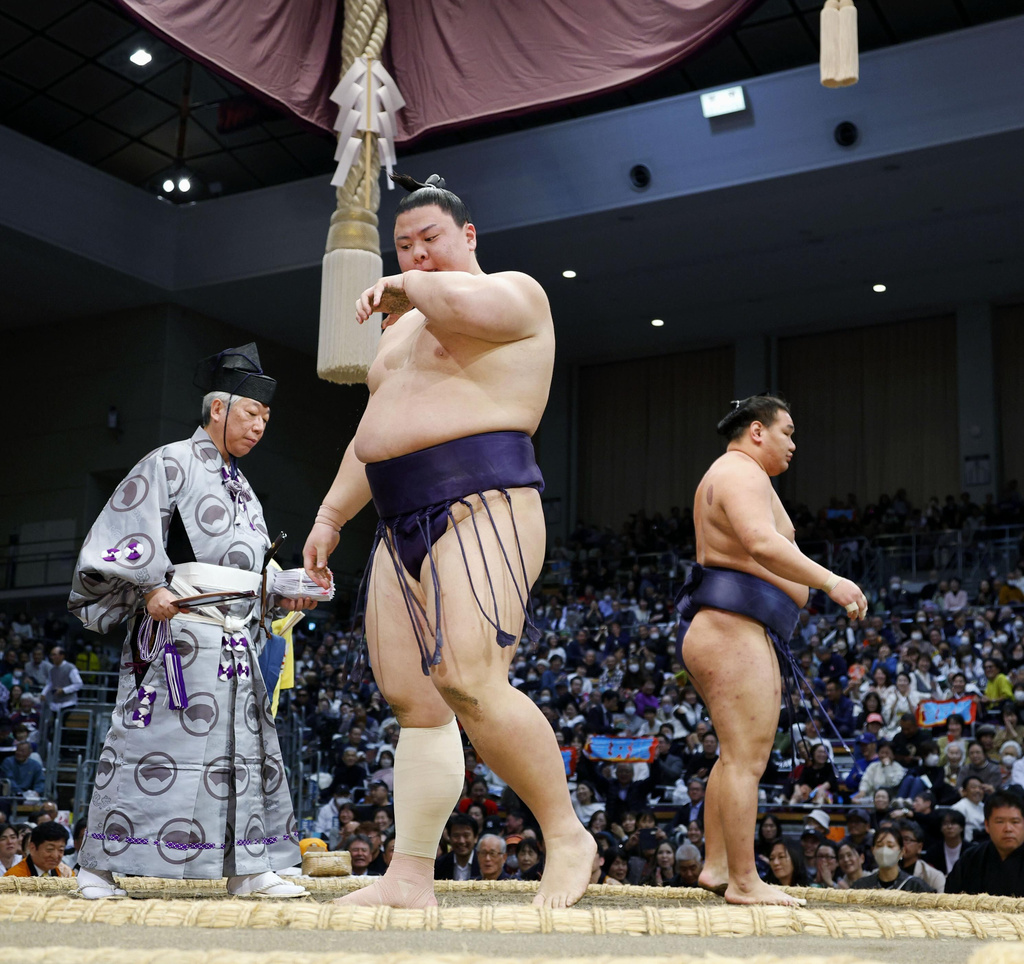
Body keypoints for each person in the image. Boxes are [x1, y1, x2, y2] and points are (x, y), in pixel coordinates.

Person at [302, 172, 594, 909]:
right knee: (416, 702)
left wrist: (410, 283)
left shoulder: (514, 294)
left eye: (429, 238)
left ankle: (566, 834)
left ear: (466, 237)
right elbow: (373, 431)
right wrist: (331, 517)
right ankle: (410, 875)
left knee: (469, 678)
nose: (416, 253)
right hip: (398, 516)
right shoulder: (400, 333)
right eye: (403, 245)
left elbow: (458, 301)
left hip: (481, 501)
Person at [67, 345, 310, 900]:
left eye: (266, 419)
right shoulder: (169, 460)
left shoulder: (243, 486)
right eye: (253, 413)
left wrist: (286, 591)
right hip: (180, 631)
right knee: (146, 745)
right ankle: (96, 870)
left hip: (237, 634)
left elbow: (248, 570)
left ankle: (247, 868)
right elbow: (124, 532)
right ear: (218, 408)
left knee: (242, 753)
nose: (260, 427)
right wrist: (151, 586)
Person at [672, 393, 867, 905]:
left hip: (735, 625)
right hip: (730, 626)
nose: (794, 444)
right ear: (757, 431)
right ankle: (743, 881)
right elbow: (760, 542)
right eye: (788, 432)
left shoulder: (745, 475)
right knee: (745, 760)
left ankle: (717, 867)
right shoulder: (740, 472)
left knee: (733, 757)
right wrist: (831, 582)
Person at [946, 791, 1024, 896]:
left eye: (1015, 822)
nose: (1008, 829)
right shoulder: (971, 858)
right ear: (987, 825)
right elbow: (951, 899)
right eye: (1000, 822)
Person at [850, 826, 934, 893]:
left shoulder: (917, 887)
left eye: (890, 846)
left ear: (901, 852)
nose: (884, 850)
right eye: (879, 845)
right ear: (873, 851)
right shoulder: (861, 887)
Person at [3, 821, 73, 878]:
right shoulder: (13, 877)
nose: (55, 856)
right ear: (32, 848)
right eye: (50, 849)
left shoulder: (66, 873)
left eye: (61, 850)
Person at [434, 814, 479, 881]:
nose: (461, 841)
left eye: (466, 835)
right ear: (449, 837)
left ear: (475, 838)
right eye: (456, 835)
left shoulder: (484, 863)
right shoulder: (439, 864)